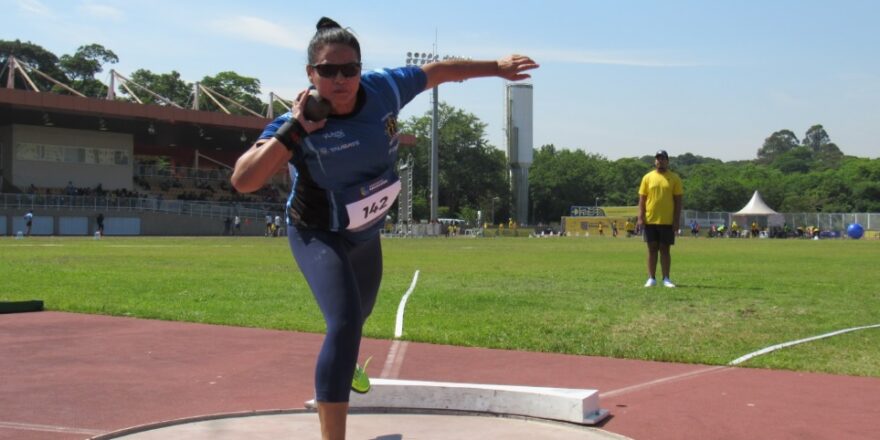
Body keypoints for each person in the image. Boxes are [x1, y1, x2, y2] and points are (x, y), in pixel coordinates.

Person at [230, 17, 538, 440]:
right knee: (343, 322)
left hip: (366, 233)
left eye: (349, 69)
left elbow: (440, 71)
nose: (340, 80)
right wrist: (295, 129)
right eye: (327, 71)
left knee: (358, 318)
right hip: (318, 231)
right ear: (310, 74)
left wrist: (497, 67)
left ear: (361, 68)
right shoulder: (297, 123)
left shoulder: (385, 89)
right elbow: (244, 180)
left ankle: (347, 358)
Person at [638, 150, 683, 288]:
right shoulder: (647, 177)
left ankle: (666, 278)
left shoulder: (674, 178)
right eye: (658, 159)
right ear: (655, 161)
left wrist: (676, 220)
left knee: (665, 249)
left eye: (663, 159)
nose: (660, 161)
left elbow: (678, 200)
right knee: (651, 248)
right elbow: (642, 198)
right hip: (650, 219)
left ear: (667, 161)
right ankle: (651, 278)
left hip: (667, 220)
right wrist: (640, 217)